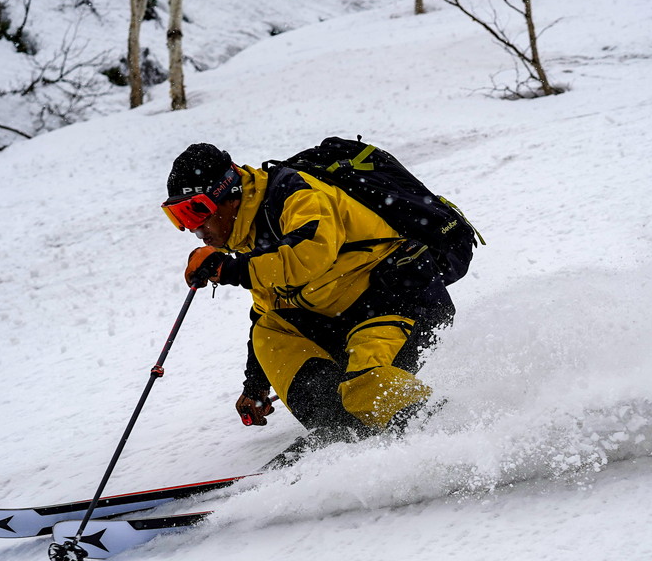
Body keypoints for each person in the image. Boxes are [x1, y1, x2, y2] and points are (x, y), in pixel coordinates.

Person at [161, 142, 455, 441]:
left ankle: (444, 436)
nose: (193, 228)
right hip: (343, 319)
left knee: (366, 385)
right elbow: (269, 306)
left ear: (230, 195)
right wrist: (255, 384)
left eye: (195, 211)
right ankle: (341, 431)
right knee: (269, 329)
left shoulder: (294, 194)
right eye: (180, 218)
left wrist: (231, 270)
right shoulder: (245, 234)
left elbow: (309, 255)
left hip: (399, 297)